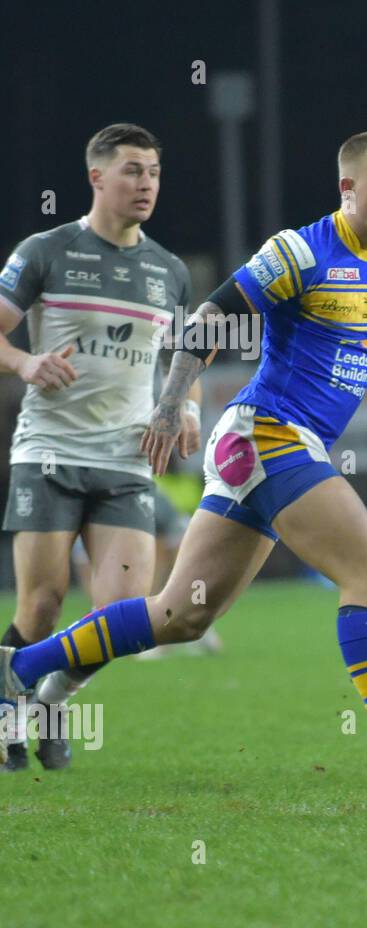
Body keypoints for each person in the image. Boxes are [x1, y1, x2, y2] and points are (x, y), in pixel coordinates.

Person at [1, 132, 367, 786]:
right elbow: (206, 321)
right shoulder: (299, 251)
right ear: (347, 188)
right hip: (267, 432)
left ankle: (19, 669)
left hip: (272, 444)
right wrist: (173, 401)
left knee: (181, 614)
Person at [0, 124, 198, 771]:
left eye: (155, 173)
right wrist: (25, 363)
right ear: (96, 178)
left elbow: (181, 357)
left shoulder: (168, 270)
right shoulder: (47, 251)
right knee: (43, 600)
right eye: (133, 171)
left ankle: (46, 701)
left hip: (125, 460)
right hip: (49, 453)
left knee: (120, 616)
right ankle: (8, 715)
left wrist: (186, 407)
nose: (146, 184)